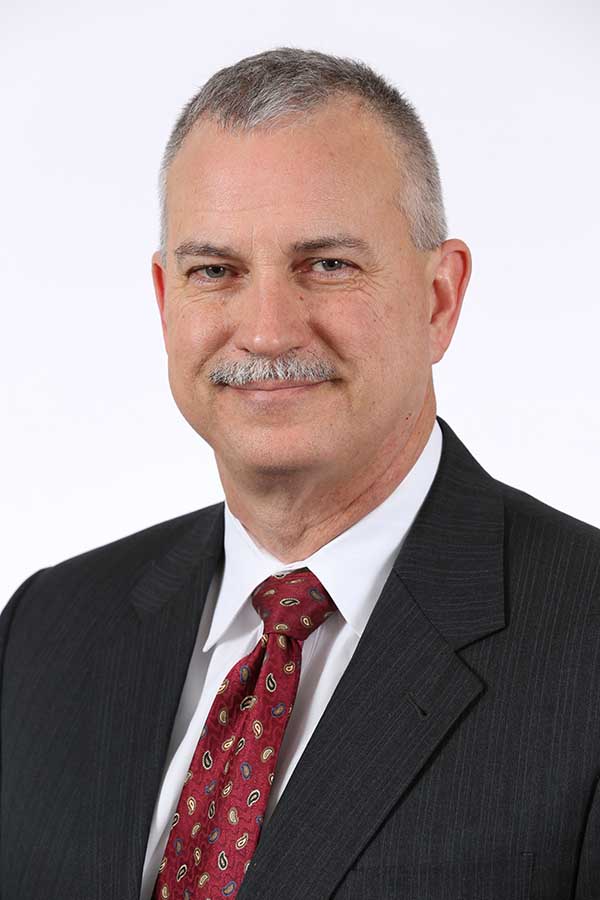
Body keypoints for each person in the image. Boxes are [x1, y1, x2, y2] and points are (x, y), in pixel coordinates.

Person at [1, 46, 600, 900]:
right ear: (166, 301)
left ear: (439, 299)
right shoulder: (44, 631)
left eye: (327, 265)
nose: (267, 331)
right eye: (216, 271)